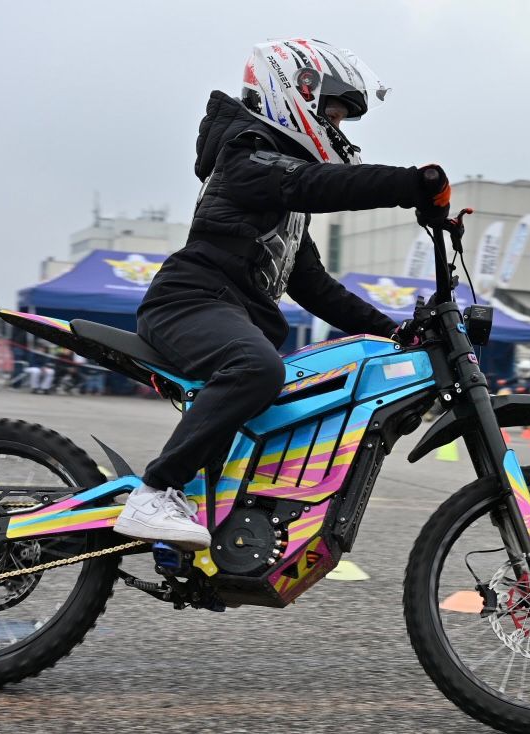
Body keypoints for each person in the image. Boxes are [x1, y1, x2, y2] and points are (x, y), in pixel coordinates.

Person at [112, 39, 450, 547]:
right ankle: (154, 493)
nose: (337, 129)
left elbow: (314, 286)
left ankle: (213, 525)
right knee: (257, 368)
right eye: (332, 115)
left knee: (292, 391)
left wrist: (394, 331)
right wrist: (413, 185)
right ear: (296, 93)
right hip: (189, 303)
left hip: (225, 313)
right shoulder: (246, 157)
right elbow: (316, 184)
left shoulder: (281, 194)